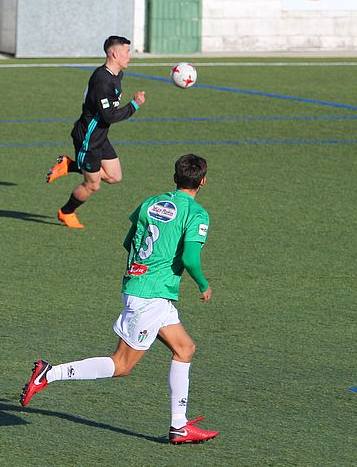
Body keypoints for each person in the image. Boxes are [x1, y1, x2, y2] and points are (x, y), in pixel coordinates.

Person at [20, 154, 218, 445]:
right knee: (121, 365)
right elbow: (190, 257)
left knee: (185, 348)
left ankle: (179, 425)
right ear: (202, 181)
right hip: (151, 296)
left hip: (142, 287)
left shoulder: (150, 203)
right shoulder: (197, 213)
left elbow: (129, 242)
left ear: (175, 177)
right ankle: (49, 374)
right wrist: (203, 284)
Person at [46, 35, 145, 229]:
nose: (130, 56)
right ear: (115, 54)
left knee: (115, 176)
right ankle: (66, 212)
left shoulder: (117, 75)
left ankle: (70, 165)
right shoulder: (102, 82)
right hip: (88, 139)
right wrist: (134, 105)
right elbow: (109, 116)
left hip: (100, 135)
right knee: (93, 184)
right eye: (126, 52)